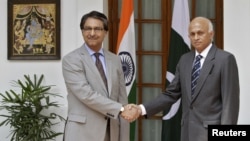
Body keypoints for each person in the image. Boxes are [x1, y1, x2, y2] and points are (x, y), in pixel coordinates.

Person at [124, 17, 240, 141]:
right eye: (192, 34)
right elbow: (171, 94)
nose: (196, 37)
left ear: (211, 34)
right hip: (187, 133)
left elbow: (230, 103)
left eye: (200, 33)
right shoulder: (185, 59)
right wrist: (141, 109)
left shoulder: (225, 59)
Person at [62, 10, 136, 141]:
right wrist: (121, 109)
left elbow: (122, 98)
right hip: (82, 133)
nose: (92, 33)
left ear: (105, 32)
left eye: (97, 29)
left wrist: (124, 136)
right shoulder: (71, 60)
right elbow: (86, 94)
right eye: (88, 29)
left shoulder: (115, 60)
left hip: (111, 132)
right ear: (82, 31)